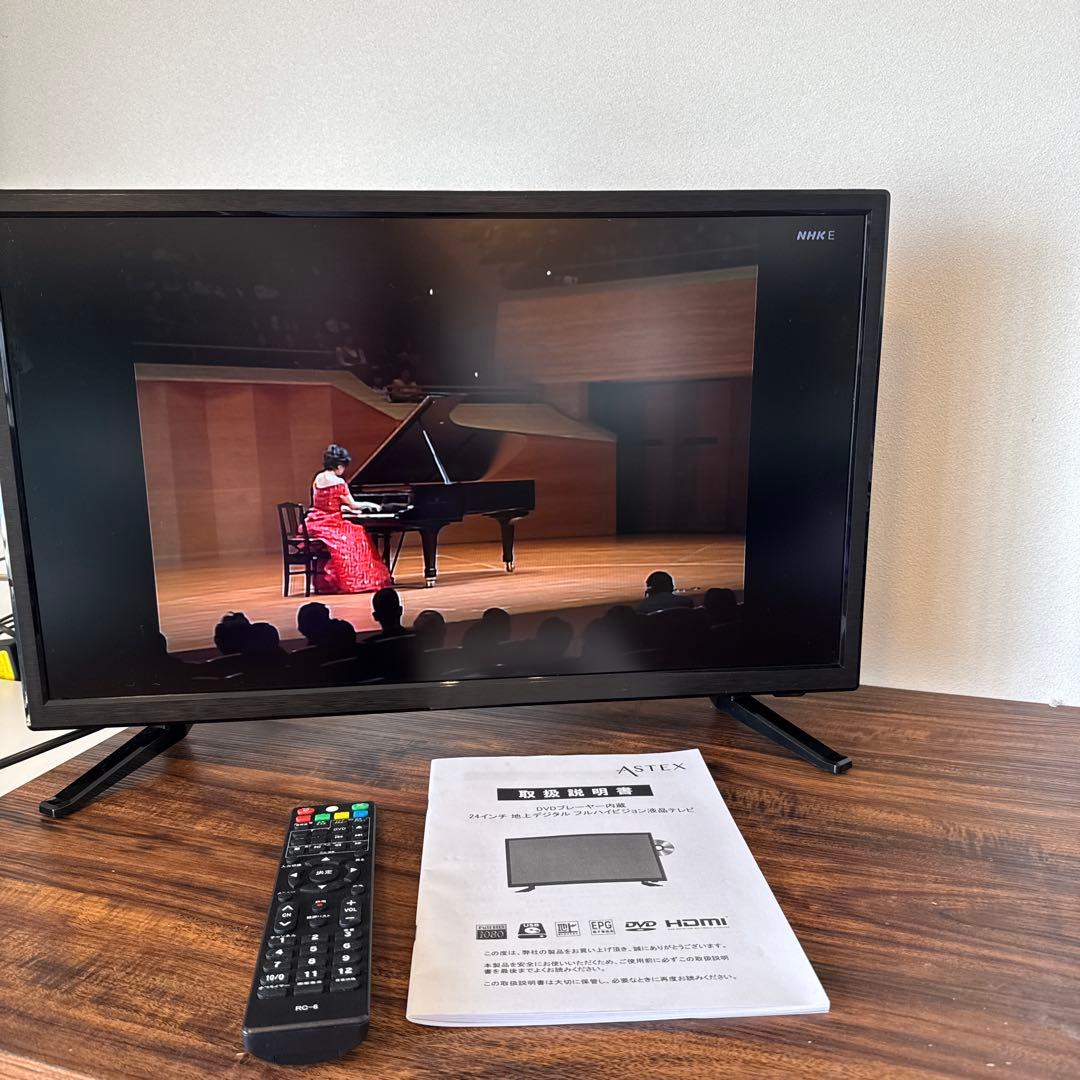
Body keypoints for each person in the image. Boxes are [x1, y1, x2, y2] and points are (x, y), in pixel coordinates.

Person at [304, 444, 392, 594]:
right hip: (330, 524)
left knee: (352, 532)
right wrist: (371, 505)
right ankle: (356, 580)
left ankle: (331, 581)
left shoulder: (318, 478)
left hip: (315, 522)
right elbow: (354, 505)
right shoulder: (338, 482)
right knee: (358, 534)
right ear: (339, 466)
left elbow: (325, 503)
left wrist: (343, 509)